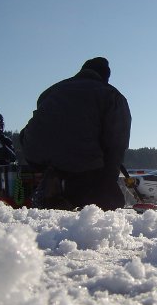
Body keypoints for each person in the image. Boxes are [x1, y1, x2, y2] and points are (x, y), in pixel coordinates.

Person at [20, 57, 131, 211]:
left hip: (36, 153)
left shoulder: (52, 90)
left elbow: (38, 125)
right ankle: (68, 191)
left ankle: (54, 182)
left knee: (66, 160)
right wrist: (108, 182)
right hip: (80, 158)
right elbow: (117, 142)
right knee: (112, 200)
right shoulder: (111, 95)